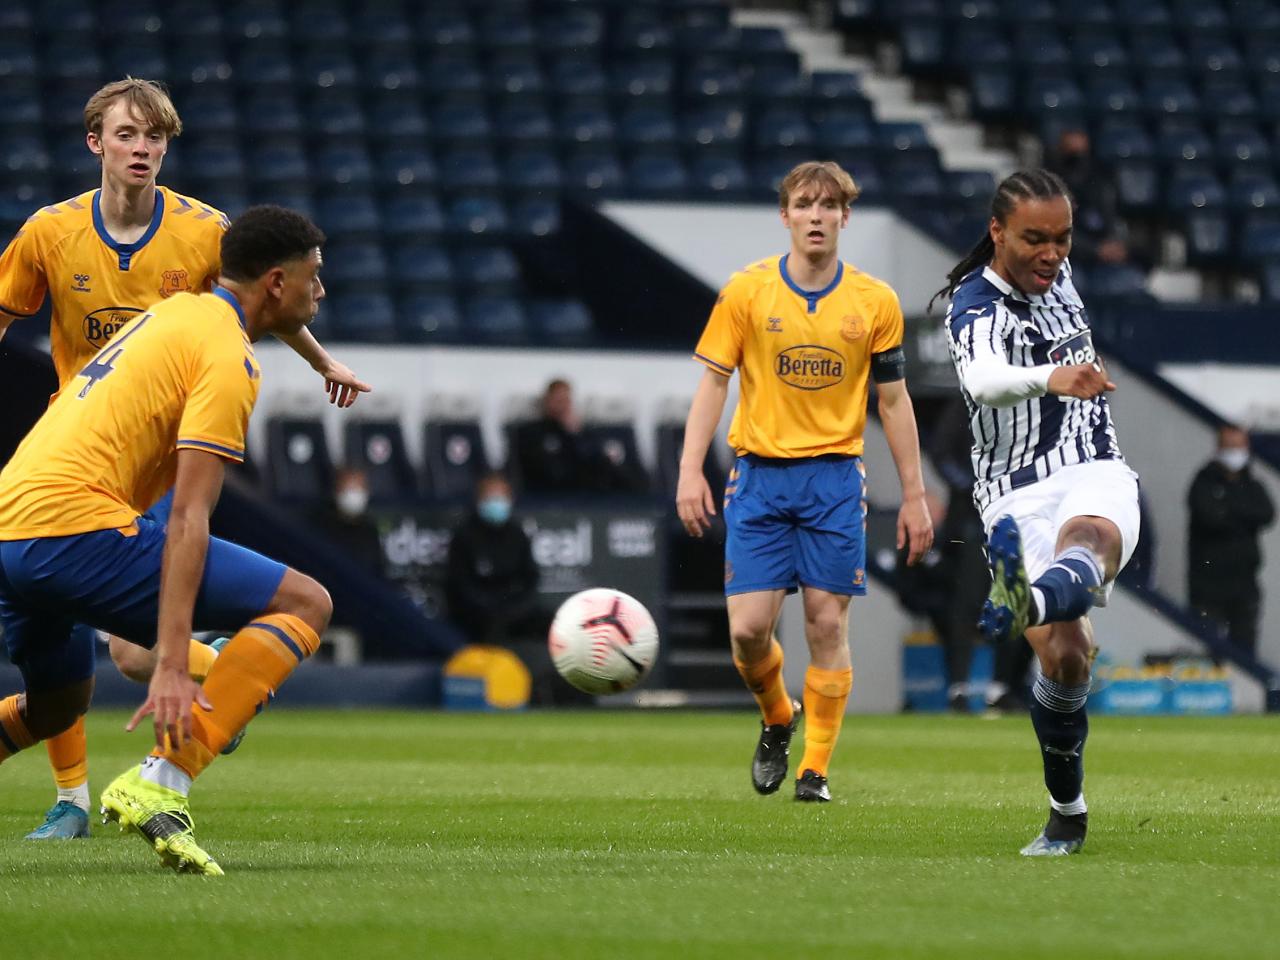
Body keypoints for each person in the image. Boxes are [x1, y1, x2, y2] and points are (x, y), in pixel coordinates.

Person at [0, 78, 369, 840]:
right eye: (128, 135)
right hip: (79, 468)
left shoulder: (205, 235)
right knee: (247, 621)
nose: (143, 149)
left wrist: (320, 361)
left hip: (78, 482)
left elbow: (270, 291)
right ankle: (121, 768)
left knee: (92, 678)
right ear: (95, 142)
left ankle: (207, 693)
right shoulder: (51, 233)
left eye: (156, 138)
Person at [676, 160, 933, 803]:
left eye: (828, 206)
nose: (816, 216)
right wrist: (688, 470)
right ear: (785, 215)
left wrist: (916, 496)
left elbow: (894, 402)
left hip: (834, 480)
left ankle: (814, 769)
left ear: (845, 217)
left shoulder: (874, 302)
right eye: (804, 204)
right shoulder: (746, 292)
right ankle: (777, 718)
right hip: (759, 478)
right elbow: (714, 381)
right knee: (747, 632)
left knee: (824, 624)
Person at [933, 168, 1142, 856]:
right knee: (1069, 656)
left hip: (1093, 464)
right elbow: (985, 383)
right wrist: (1051, 376)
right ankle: (1066, 809)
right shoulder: (972, 306)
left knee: (1090, 539)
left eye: (1063, 238)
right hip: (1015, 492)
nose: (1053, 253)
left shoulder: (1062, 274)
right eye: (1034, 239)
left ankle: (1026, 599)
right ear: (997, 232)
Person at [1187, 425, 1276, 659]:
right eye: (1230, 446)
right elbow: (1210, 517)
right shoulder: (1203, 482)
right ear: (1218, 448)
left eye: (1239, 446)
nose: (1235, 452)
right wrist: (1243, 516)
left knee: (1244, 649)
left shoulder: (1252, 483)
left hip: (1244, 583)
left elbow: (1266, 513)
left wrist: (1229, 510)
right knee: (1207, 650)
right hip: (1208, 585)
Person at [512, 378, 595, 495]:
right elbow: (547, 471)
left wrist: (574, 435)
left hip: (580, 494)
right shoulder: (529, 432)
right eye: (558, 400)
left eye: (565, 400)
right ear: (547, 400)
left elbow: (591, 466)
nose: (562, 405)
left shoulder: (581, 432)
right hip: (541, 493)